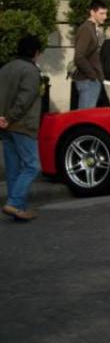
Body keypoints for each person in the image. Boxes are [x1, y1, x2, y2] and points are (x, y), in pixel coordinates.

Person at [0, 35, 44, 222]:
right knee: (33, 166)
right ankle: (15, 203)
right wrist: (10, 117)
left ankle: (18, 208)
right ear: (35, 52)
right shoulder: (31, 71)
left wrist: (3, 118)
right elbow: (24, 100)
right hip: (22, 124)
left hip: (5, 124)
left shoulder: (5, 68)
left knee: (13, 168)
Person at [73, 0, 106, 108]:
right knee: (83, 119)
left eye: (105, 13)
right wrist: (93, 76)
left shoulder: (91, 28)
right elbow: (79, 57)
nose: (105, 17)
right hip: (87, 81)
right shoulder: (86, 29)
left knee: (86, 117)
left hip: (90, 81)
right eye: (101, 13)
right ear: (92, 13)